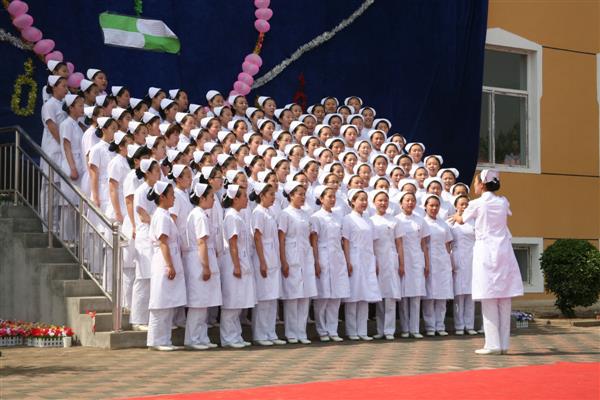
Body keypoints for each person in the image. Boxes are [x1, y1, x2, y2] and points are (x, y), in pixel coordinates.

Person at [452, 170, 523, 355]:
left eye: (476, 182)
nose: (474, 185)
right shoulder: (503, 201)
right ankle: (504, 344)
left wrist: (457, 216)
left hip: (485, 251)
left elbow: (461, 220)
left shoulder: (476, 203)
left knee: (489, 297)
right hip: (504, 251)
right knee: (504, 298)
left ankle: (492, 344)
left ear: (482, 184)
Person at [146, 181, 187, 351]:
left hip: (169, 258)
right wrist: (169, 265)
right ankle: (156, 340)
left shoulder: (165, 215)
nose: (174, 198)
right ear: (162, 197)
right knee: (161, 302)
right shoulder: (162, 216)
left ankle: (165, 340)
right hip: (164, 261)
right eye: (171, 195)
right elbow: (163, 241)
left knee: (168, 302)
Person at [183, 183, 222, 350]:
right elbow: (201, 242)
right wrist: (205, 266)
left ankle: (202, 337)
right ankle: (192, 339)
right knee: (198, 302)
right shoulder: (199, 216)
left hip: (203, 258)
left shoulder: (201, 214)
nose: (214, 200)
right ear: (202, 198)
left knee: (204, 301)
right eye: (211, 197)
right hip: (199, 260)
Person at [278, 181, 317, 344]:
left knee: (305, 296)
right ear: (291, 195)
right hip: (291, 255)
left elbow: (310, 237)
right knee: (292, 297)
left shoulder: (306, 214)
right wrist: (284, 261)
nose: (302, 197)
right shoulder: (285, 214)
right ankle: (291, 333)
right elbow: (281, 239)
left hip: (305, 255)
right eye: (299, 194)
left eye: (304, 194)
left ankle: (302, 332)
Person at [309, 186, 350, 342]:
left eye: (334, 197)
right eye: (329, 197)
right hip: (323, 255)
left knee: (336, 296)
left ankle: (333, 330)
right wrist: (316, 261)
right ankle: (322, 330)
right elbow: (314, 241)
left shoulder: (338, 216)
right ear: (321, 199)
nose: (332, 199)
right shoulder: (316, 217)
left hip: (337, 257)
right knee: (323, 296)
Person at [341, 189, 382, 341]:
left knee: (365, 295)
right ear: (353, 201)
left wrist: (375, 260)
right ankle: (352, 331)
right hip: (354, 258)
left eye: (365, 200)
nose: (364, 203)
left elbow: (372, 243)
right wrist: (347, 261)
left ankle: (363, 331)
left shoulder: (369, 220)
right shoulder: (347, 219)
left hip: (367, 259)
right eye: (361, 200)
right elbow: (345, 241)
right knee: (354, 296)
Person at [220, 184, 256, 348]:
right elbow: (232, 243)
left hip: (241, 260)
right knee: (232, 302)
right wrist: (236, 265)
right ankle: (228, 338)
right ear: (235, 199)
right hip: (234, 262)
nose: (247, 199)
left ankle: (236, 336)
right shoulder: (231, 217)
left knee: (239, 300)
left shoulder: (237, 216)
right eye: (244, 196)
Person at [250, 183, 286, 346]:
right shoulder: (258, 213)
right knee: (264, 298)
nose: (274, 197)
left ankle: (270, 333)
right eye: (270, 194)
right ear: (262, 195)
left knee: (272, 297)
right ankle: (260, 334)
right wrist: (262, 262)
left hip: (273, 255)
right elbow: (257, 237)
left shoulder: (269, 212)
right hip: (264, 255)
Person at [370, 190, 404, 340]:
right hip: (377, 259)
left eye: (385, 200)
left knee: (390, 296)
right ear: (374, 202)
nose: (383, 203)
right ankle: (380, 330)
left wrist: (401, 263)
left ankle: (389, 330)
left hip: (391, 260)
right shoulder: (370, 220)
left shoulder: (394, 220)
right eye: (380, 200)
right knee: (379, 297)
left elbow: (399, 243)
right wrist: (373, 261)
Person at [396, 191, 429, 338]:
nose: (410, 203)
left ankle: (415, 329)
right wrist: (400, 263)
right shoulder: (396, 220)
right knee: (404, 296)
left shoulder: (420, 220)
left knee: (416, 295)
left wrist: (427, 263)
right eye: (407, 200)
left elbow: (424, 244)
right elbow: (397, 243)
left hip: (417, 259)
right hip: (402, 259)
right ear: (401, 203)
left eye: (412, 200)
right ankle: (405, 329)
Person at [422, 194, 454, 337]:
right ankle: (430, 326)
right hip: (429, 259)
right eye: (431, 205)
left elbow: (447, 244)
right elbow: (422, 244)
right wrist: (425, 262)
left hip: (443, 261)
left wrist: (449, 261)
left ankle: (440, 326)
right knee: (430, 296)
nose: (434, 208)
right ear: (425, 206)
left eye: (436, 206)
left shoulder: (443, 224)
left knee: (442, 295)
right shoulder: (423, 222)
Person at [448, 195, 478, 336]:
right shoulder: (450, 222)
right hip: (457, 257)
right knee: (459, 295)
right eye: (461, 204)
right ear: (456, 206)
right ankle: (459, 325)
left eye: (467, 204)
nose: (464, 206)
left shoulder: (474, 221)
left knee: (471, 294)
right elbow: (446, 242)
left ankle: (469, 325)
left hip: (473, 257)